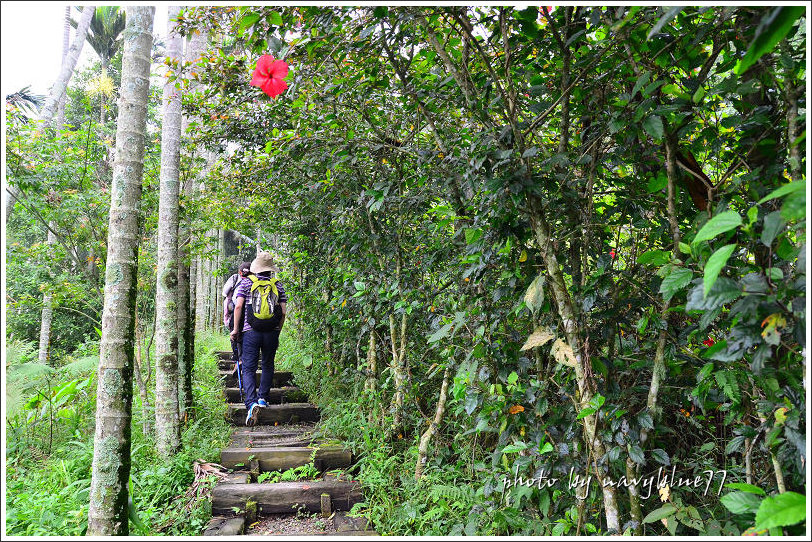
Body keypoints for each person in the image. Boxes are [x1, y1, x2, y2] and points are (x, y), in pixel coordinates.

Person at [230, 251, 288, 426]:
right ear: (271, 269)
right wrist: (278, 329)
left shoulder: (246, 282)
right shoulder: (278, 285)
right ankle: (263, 398)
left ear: (256, 267)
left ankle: (251, 403)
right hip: (271, 331)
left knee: (248, 368)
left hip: (250, 332)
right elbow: (283, 311)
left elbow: (238, 305)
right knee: (268, 364)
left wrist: (235, 329)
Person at [222, 262, 252, 364]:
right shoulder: (254, 281)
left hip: (236, 310)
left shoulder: (235, 278)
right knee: (245, 335)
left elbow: (225, 292)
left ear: (240, 272)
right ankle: (243, 358)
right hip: (250, 312)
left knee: (234, 334)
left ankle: (238, 359)